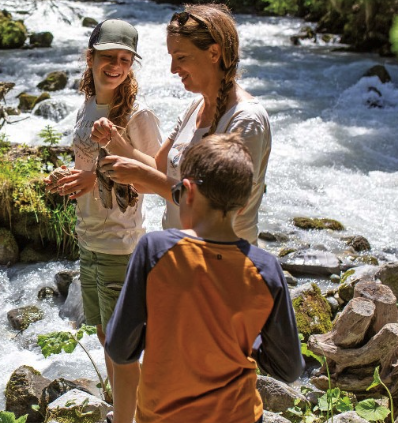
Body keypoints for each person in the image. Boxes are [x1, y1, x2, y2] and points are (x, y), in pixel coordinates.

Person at [84, 132, 303, 423]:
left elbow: (120, 349)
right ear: (243, 206)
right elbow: (289, 368)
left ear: (185, 192)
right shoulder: (266, 269)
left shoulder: (155, 251)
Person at [45, 18, 162, 398]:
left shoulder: (137, 114)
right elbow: (87, 168)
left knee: (120, 340)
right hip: (90, 237)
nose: (116, 65)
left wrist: (95, 177)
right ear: (90, 56)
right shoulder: (88, 105)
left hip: (121, 241)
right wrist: (68, 177)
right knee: (102, 331)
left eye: (126, 59)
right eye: (109, 56)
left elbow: (156, 176)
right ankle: (122, 405)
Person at [91, 3, 271, 245]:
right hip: (181, 254)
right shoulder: (195, 108)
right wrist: (114, 140)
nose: (173, 69)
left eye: (181, 57)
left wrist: (142, 174)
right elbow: (159, 168)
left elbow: (221, 208)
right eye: (172, 57)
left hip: (221, 263)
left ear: (214, 53)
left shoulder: (246, 120)